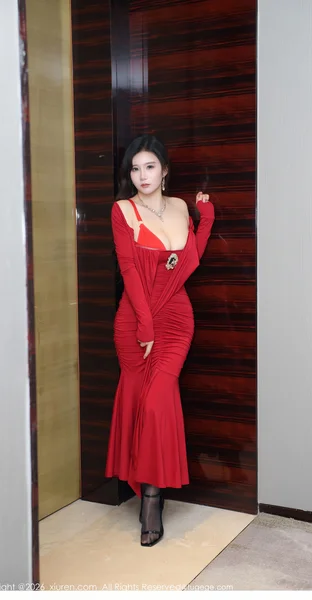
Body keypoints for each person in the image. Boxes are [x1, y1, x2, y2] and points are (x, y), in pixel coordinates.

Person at [105, 134, 215, 547]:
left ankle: (151, 498)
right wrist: (145, 326)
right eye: (135, 168)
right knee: (140, 402)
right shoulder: (123, 210)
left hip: (177, 318)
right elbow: (129, 271)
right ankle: (149, 498)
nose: (142, 175)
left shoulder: (181, 207)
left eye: (149, 166)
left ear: (164, 170)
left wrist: (207, 219)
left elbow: (190, 262)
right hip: (136, 321)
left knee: (157, 403)